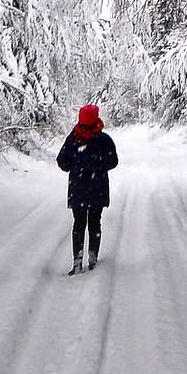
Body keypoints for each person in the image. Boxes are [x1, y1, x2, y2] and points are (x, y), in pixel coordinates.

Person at [56, 103, 118, 274]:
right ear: (96, 118)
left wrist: (77, 167)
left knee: (78, 225)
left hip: (78, 190)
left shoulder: (73, 138)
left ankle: (77, 260)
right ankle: (92, 257)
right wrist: (98, 167)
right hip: (98, 189)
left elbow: (62, 161)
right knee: (94, 223)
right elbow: (113, 162)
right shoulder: (104, 140)